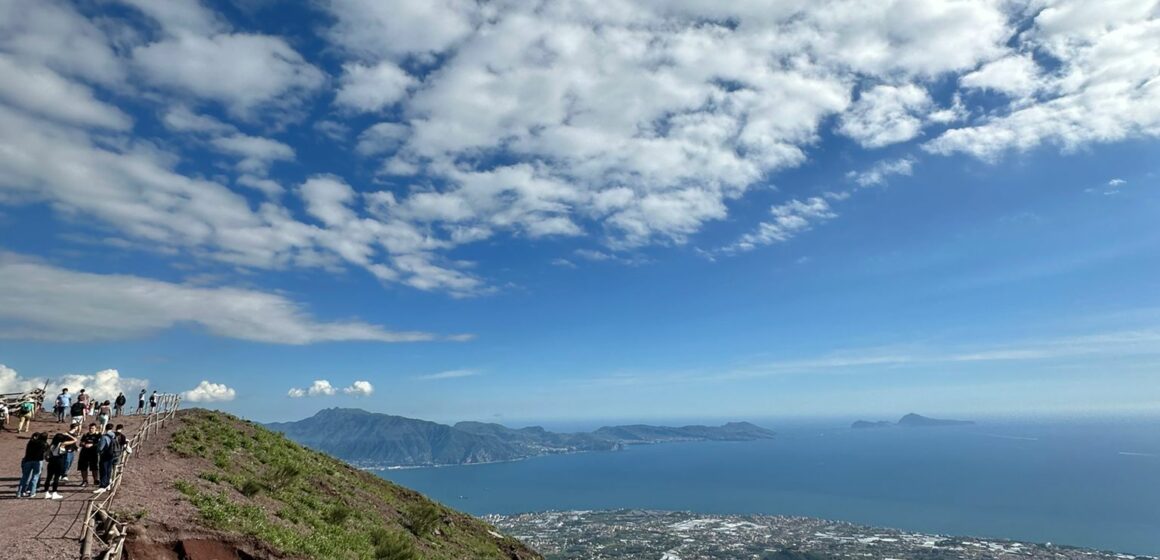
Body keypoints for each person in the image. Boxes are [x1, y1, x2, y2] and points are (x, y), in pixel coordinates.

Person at [43, 430, 77, 499]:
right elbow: (75, 440)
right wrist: (68, 435)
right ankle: (54, 492)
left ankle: (46, 492)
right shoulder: (62, 444)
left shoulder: (52, 445)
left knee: (49, 477)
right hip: (59, 461)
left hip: (52, 461)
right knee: (56, 477)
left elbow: (46, 454)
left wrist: (48, 459)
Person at [18, 432, 48, 498]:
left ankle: (20, 492)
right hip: (37, 461)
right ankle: (32, 492)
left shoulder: (31, 442)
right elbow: (47, 454)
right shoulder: (44, 444)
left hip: (28, 460)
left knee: (24, 477)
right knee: (35, 477)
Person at [93, 423, 120, 494]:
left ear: (105, 428)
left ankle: (102, 486)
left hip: (104, 455)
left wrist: (97, 450)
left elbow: (101, 447)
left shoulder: (104, 437)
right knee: (109, 470)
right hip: (112, 455)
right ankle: (108, 484)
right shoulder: (114, 435)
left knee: (103, 470)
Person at [76, 423, 101, 488]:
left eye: (92, 428)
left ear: (95, 428)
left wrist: (92, 445)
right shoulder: (85, 435)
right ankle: (85, 480)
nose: (91, 429)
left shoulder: (98, 435)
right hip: (84, 453)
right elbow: (80, 443)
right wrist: (84, 444)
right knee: (83, 467)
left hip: (93, 453)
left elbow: (100, 443)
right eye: (90, 428)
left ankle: (96, 480)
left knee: (94, 467)